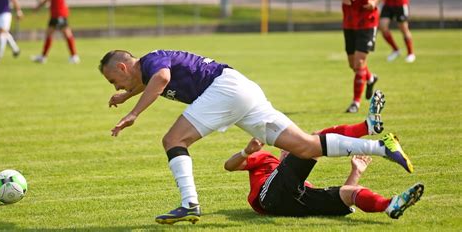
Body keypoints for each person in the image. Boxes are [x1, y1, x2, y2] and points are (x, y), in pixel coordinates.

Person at [99, 50, 413, 225]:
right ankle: (381, 146)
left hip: (223, 91)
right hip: (243, 89)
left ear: (124, 66)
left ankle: (190, 203)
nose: (115, 86)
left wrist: (134, 113)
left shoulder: (153, 61)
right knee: (305, 146)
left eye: (114, 80)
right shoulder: (147, 69)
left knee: (173, 140)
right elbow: (151, 80)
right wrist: (128, 96)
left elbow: (162, 78)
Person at [224, 139, 423, 219]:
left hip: (291, 205)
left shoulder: (301, 183)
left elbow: (344, 196)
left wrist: (356, 172)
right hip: (268, 198)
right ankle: (371, 137)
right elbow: (229, 166)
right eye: (289, 147)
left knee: (349, 193)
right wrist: (245, 152)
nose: (291, 150)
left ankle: (389, 205)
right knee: (314, 143)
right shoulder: (268, 159)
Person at [331, 0, 394, 113]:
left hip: (368, 22)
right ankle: (371, 77)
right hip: (349, 22)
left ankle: (355, 103)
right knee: (353, 65)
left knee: (359, 62)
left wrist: (376, 0)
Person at [32, 0, 79, 64]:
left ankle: (74, 56)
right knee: (50, 33)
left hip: (58, 12)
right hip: (57, 12)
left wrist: (38, 7)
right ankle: (43, 56)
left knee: (66, 33)